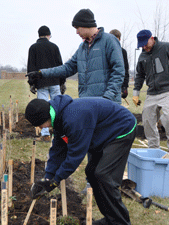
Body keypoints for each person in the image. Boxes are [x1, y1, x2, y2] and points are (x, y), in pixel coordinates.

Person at [25, 95, 136, 225]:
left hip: (122, 129)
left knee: (104, 175)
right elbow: (57, 150)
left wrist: (56, 180)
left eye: (40, 125)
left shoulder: (73, 119)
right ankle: (111, 218)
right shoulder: (59, 117)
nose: (42, 128)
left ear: (45, 118)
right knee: (91, 172)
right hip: (105, 133)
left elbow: (75, 155)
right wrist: (47, 178)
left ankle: (120, 221)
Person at [26, 8, 125, 105]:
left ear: (86, 24)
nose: (76, 32)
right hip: (87, 103)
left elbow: (118, 71)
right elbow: (67, 68)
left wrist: (108, 97)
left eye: (77, 28)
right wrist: (42, 73)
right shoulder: (82, 48)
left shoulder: (109, 41)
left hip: (107, 104)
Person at [132, 29, 169, 150]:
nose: (144, 47)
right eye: (141, 45)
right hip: (152, 93)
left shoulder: (167, 48)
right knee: (147, 121)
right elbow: (139, 75)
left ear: (152, 39)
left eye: (145, 43)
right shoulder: (143, 56)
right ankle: (153, 150)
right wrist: (136, 93)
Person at [27, 25, 65, 142]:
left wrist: (32, 83)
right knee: (59, 107)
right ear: (48, 35)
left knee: (41, 108)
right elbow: (61, 66)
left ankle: (45, 134)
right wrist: (62, 82)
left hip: (41, 83)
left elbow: (31, 68)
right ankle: (60, 132)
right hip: (54, 81)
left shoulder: (33, 48)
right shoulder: (54, 47)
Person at [109, 29, 130, 100]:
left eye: (116, 39)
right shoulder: (105, 51)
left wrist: (125, 87)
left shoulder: (123, 52)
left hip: (117, 85)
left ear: (119, 39)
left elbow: (125, 70)